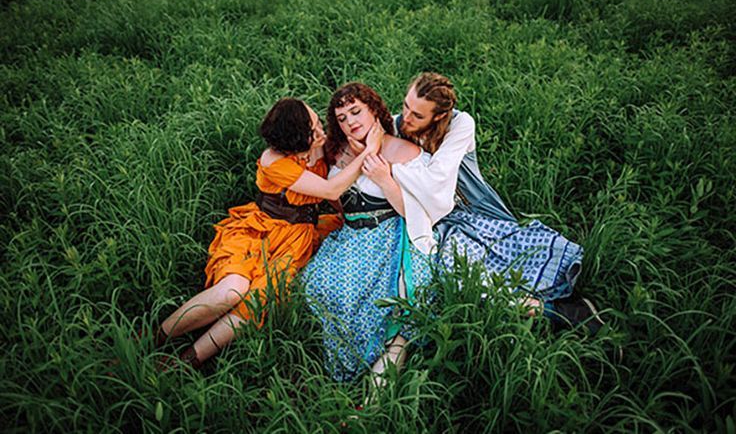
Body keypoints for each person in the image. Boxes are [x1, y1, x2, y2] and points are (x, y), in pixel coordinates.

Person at [156, 97, 381, 368]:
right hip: (259, 231)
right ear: (296, 140)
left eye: (318, 122)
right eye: (314, 129)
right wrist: (370, 151)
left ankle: (186, 360)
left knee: (256, 301)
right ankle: (157, 336)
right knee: (232, 291)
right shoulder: (274, 161)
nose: (321, 131)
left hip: (296, 239)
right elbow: (331, 189)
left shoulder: (317, 147)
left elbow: (335, 187)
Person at [393, 72, 599, 332]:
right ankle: (557, 311)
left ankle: (560, 306)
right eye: (405, 106)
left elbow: (437, 185)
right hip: (435, 220)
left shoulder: (460, 124)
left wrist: (393, 170)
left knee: (511, 259)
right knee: (468, 278)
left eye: (417, 115)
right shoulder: (396, 125)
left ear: (439, 116)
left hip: (472, 208)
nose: (406, 118)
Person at [301, 82, 437, 383]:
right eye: (342, 118)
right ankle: (345, 364)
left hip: (386, 233)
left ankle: (376, 362)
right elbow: (336, 203)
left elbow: (417, 212)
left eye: (356, 112)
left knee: (365, 295)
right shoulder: (335, 153)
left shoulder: (404, 151)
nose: (351, 122)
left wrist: (384, 178)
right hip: (349, 234)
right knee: (317, 283)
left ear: (374, 110)